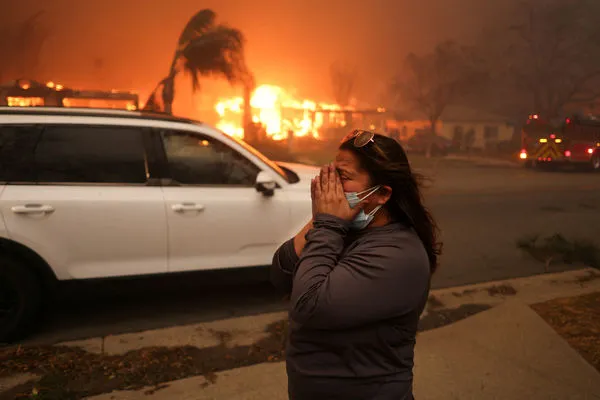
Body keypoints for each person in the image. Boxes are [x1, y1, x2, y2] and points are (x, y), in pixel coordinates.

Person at [270, 129, 441, 400]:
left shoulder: (399, 255)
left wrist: (327, 223)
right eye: (333, 175)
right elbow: (281, 273)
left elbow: (308, 306)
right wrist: (321, 218)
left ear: (382, 194)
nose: (333, 188)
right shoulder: (342, 228)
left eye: (344, 178)